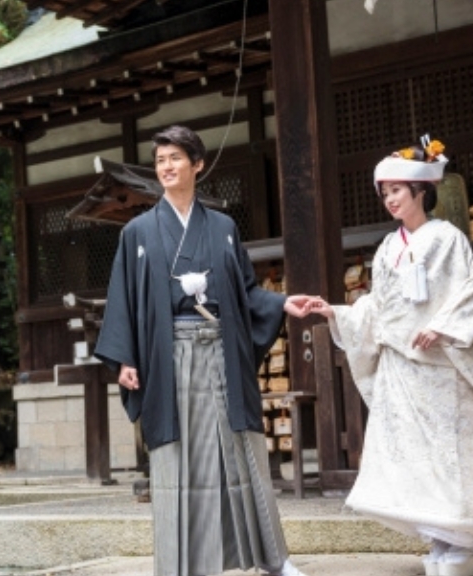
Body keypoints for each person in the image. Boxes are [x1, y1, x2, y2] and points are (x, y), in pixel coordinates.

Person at [285, 138, 473, 576]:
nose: (390, 199)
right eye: (385, 192)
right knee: (414, 457)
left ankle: (461, 544)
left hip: (441, 365)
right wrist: (337, 312)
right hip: (401, 368)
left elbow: (472, 289)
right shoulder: (388, 247)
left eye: (396, 191)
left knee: (448, 454)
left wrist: (442, 325)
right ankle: (438, 541)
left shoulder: (448, 238)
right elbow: (379, 305)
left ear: (420, 191)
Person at [94, 125, 306, 576]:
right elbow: (122, 299)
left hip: (222, 349)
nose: (166, 167)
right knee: (176, 456)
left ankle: (273, 559)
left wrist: (282, 303)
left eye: (175, 158)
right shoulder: (137, 232)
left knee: (241, 447)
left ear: (198, 164)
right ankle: (180, 566)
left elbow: (246, 291)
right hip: (169, 354)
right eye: (160, 160)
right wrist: (125, 357)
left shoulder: (224, 228)